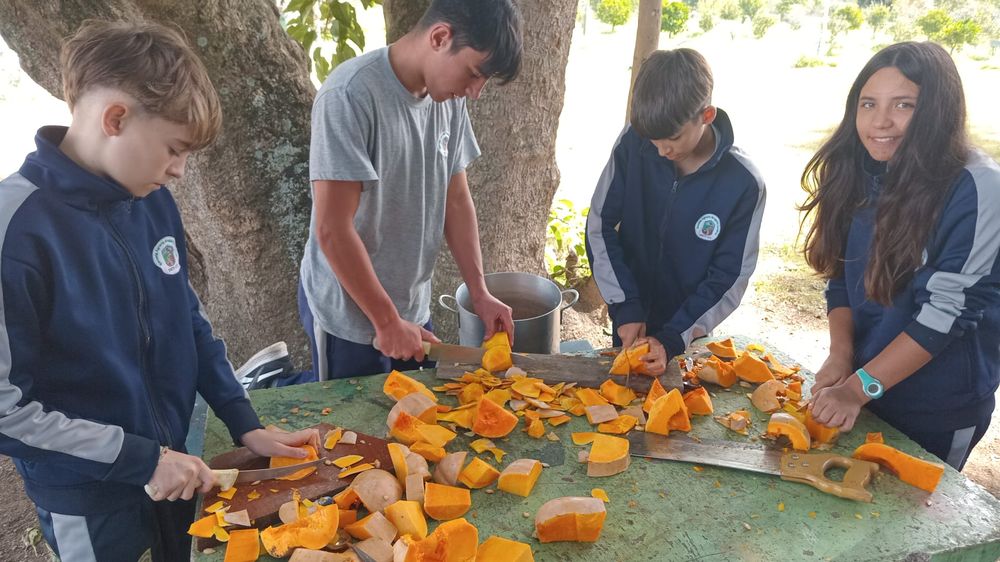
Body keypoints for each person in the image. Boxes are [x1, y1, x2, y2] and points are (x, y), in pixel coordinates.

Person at [0, 20, 319, 560]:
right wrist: (139, 458)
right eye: (174, 149)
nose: (180, 171)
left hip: (178, 466)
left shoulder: (152, 203)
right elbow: (7, 409)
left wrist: (247, 426)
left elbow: (187, 323)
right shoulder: (17, 229)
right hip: (89, 497)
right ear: (116, 118)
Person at [802, 42, 1000, 470]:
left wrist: (857, 389)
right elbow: (840, 277)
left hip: (936, 408)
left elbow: (946, 313)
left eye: (904, 105)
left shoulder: (979, 187)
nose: (880, 122)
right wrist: (841, 356)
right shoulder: (858, 168)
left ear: (937, 111)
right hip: (864, 387)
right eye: (868, 104)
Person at [299, 0, 521, 380]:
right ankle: (267, 381)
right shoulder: (349, 96)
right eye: (472, 74)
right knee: (352, 430)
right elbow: (332, 229)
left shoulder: (448, 100)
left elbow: (456, 198)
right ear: (439, 37)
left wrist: (479, 291)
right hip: (350, 315)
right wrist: (385, 321)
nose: (474, 93)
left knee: (417, 420)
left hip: (412, 306)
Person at [585, 48, 766, 376]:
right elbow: (600, 224)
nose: (661, 150)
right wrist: (625, 306)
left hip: (686, 335)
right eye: (652, 140)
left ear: (707, 115)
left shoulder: (743, 183)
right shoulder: (632, 142)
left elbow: (730, 276)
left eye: (672, 138)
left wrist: (673, 338)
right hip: (630, 318)